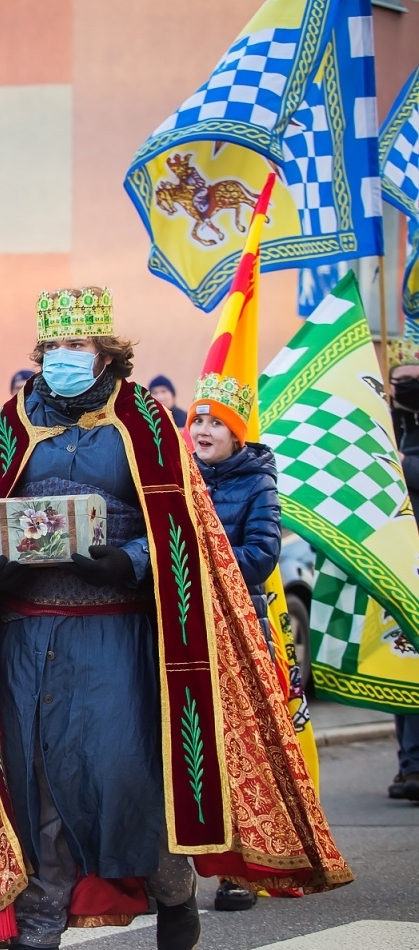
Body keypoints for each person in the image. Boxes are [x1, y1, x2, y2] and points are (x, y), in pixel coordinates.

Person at [0, 287, 350, 950]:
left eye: (79, 347)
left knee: (122, 780)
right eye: (54, 348)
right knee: (35, 789)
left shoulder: (147, 422)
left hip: (115, 634)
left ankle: (172, 887)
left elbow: (190, 533)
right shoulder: (11, 423)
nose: (65, 359)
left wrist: (126, 560)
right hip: (25, 636)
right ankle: (38, 941)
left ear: (107, 352)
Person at [189, 373, 281, 911]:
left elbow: (262, 555)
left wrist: (202, 565)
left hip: (239, 628)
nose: (202, 430)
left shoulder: (258, 483)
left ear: (236, 434)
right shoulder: (179, 478)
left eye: (214, 423)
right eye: (197, 420)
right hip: (187, 625)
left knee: (237, 749)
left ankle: (239, 873)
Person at [387, 344, 419, 801]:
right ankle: (410, 764)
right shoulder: (384, 429)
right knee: (404, 665)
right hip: (402, 566)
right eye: (401, 380)